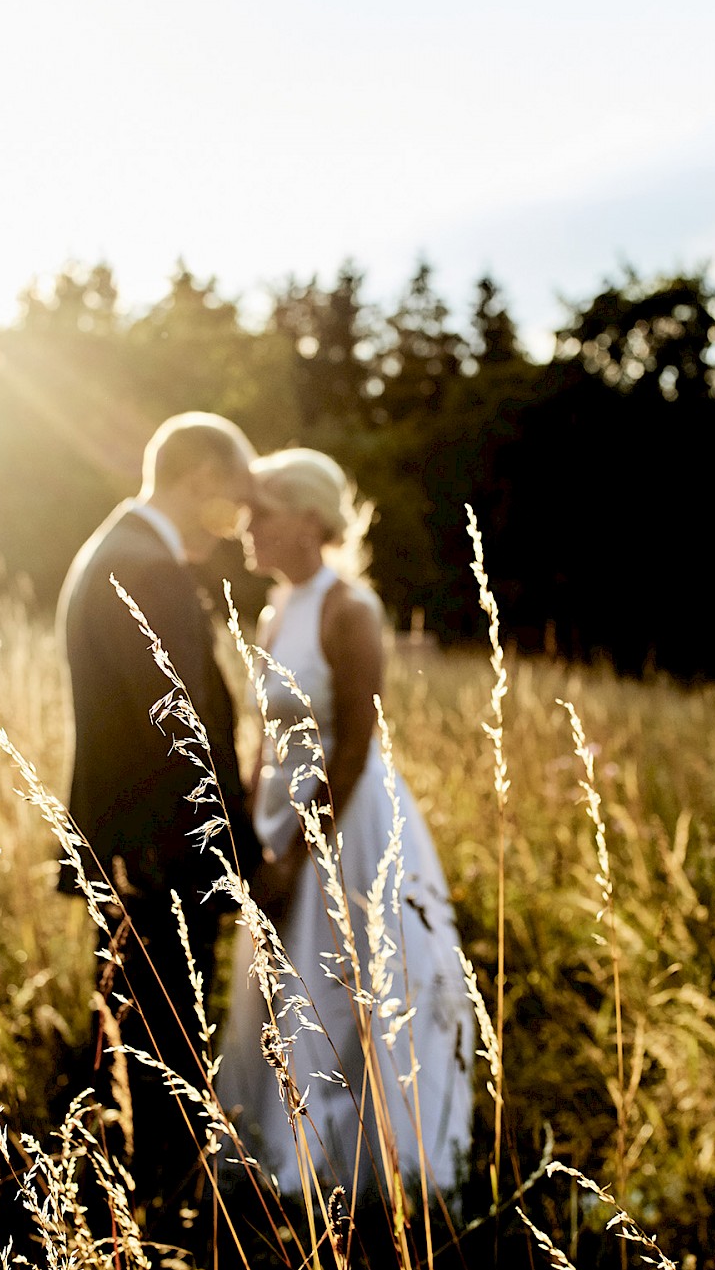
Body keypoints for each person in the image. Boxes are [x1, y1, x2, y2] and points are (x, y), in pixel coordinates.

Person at [217, 449, 472, 1207]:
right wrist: (256, 824)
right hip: (280, 820)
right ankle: (285, 1153)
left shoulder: (348, 609)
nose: (245, 527)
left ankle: (368, 1170)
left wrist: (301, 852)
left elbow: (357, 743)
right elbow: (266, 731)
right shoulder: (274, 610)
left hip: (345, 825)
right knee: (283, 990)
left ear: (307, 519)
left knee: (347, 985)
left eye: (260, 512)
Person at [57, 411, 263, 1220]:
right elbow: (185, 728)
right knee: (167, 1037)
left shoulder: (115, 549)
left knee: (139, 1026)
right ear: (200, 478)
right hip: (163, 844)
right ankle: (172, 1214)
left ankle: (141, 1194)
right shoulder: (147, 568)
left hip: (132, 838)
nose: (238, 521)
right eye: (234, 500)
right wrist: (238, 846)